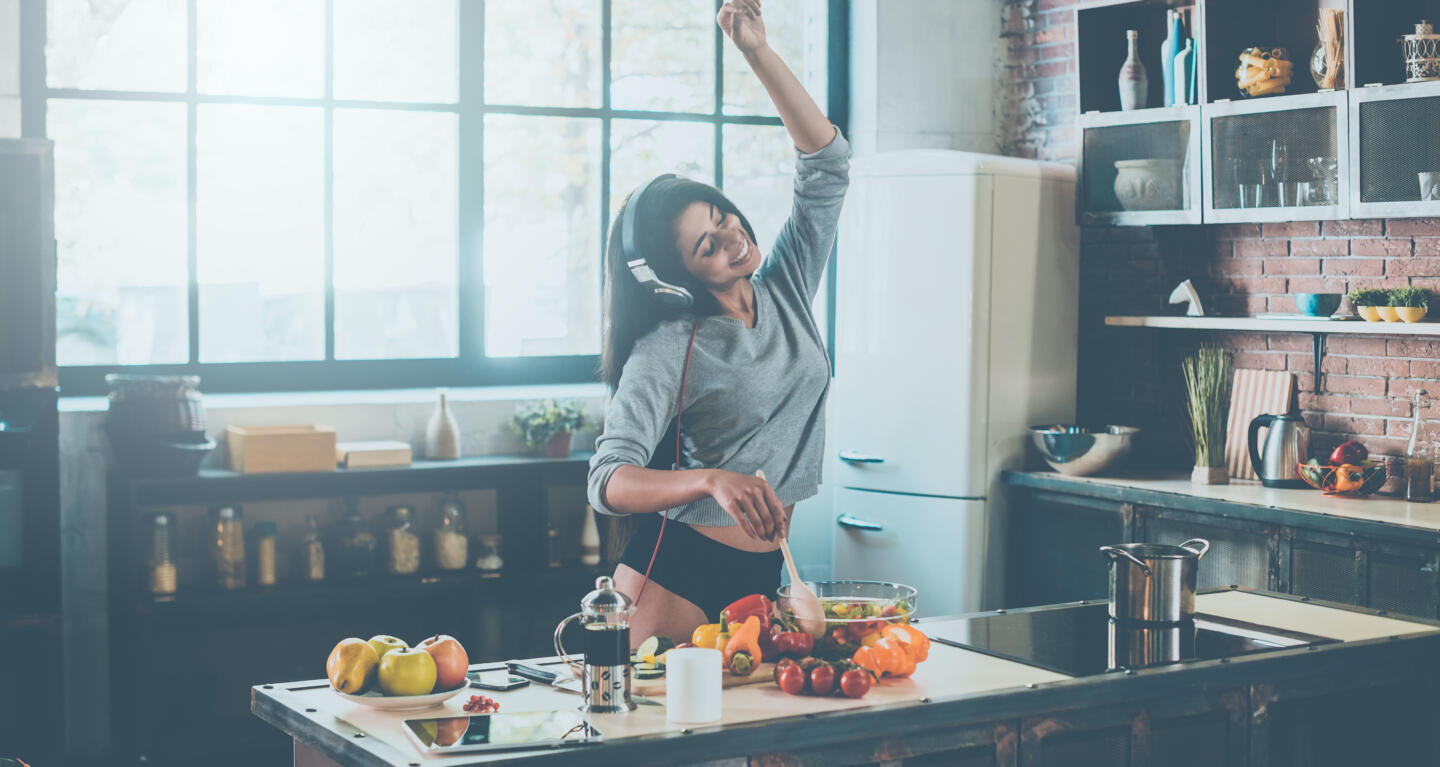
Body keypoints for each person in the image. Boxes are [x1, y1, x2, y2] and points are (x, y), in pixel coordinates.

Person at [586, 0, 848, 644]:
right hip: (672, 575)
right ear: (679, 280)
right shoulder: (670, 345)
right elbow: (607, 479)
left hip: (769, 571)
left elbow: (827, 167)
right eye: (707, 244)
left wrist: (757, 52)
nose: (732, 237)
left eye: (722, 215)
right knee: (651, 746)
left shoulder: (783, 285)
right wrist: (710, 480)